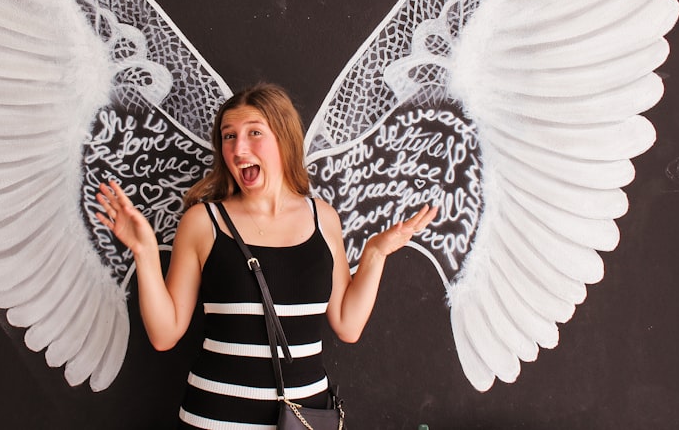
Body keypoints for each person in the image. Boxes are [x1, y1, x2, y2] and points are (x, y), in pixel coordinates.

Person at [94, 83, 437, 428]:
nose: (239, 148)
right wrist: (144, 251)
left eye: (254, 132)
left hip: (303, 420)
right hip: (215, 419)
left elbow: (348, 325)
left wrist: (376, 253)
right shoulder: (203, 222)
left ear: (284, 139)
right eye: (228, 136)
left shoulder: (324, 219)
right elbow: (164, 334)